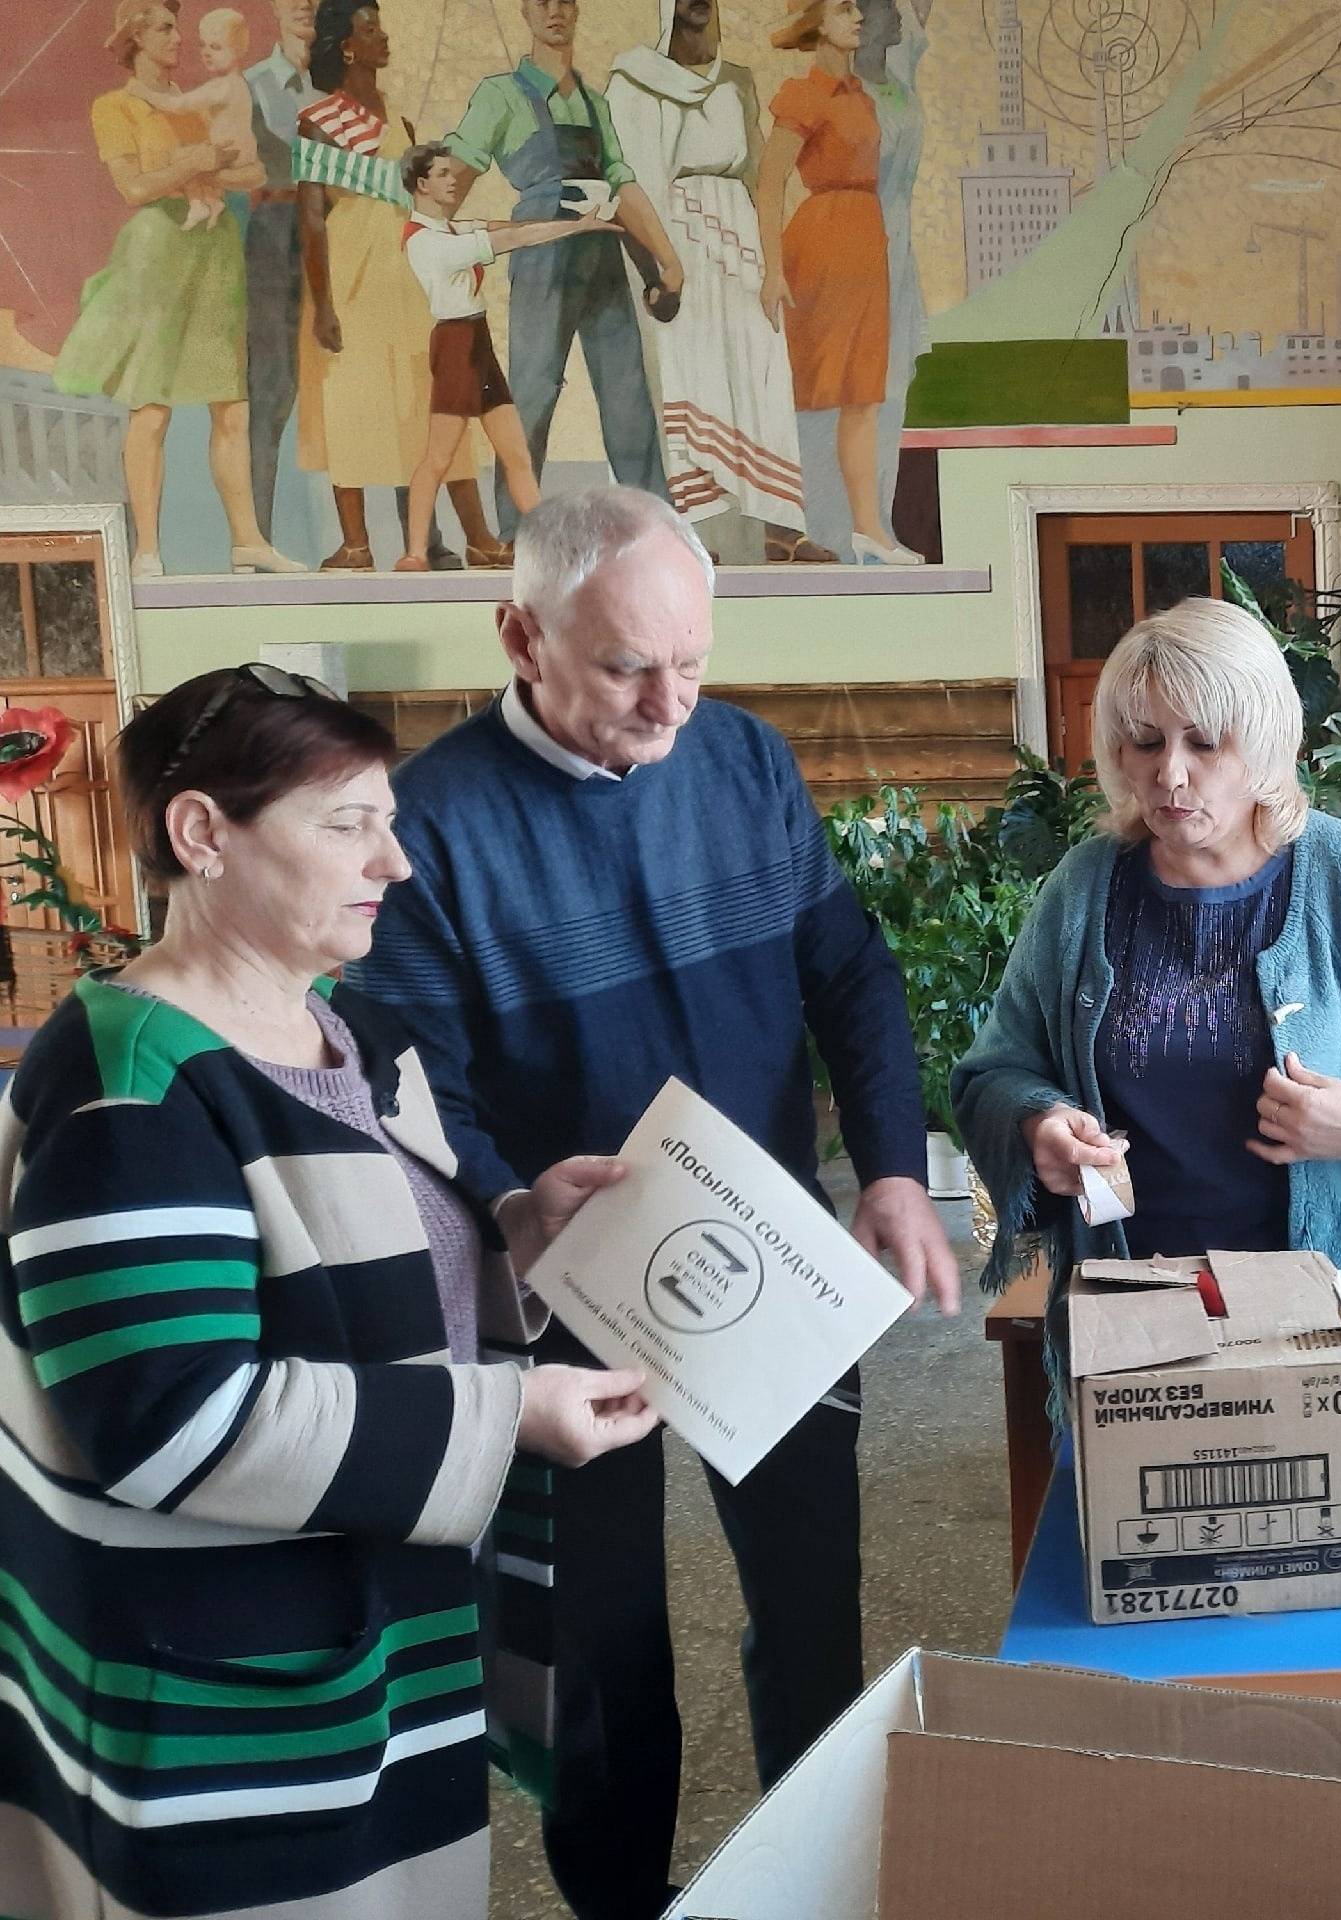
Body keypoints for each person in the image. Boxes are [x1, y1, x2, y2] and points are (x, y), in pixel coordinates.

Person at [352, 485, 958, 1920]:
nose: (670, 702)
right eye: (629, 667)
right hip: (565, 1288)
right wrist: (506, 1198)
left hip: (766, 1258)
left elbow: (849, 973)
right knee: (596, 1638)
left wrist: (890, 1164)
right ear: (520, 637)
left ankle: (819, 1882)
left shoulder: (741, 759)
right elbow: (410, 1079)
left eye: (692, 660)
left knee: (811, 1605)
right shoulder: (429, 825)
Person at [0, 664, 659, 1920]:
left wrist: (521, 1233)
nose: (394, 864)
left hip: (375, 1646)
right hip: (229, 1708)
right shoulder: (132, 1091)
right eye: (349, 824)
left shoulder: (354, 1039)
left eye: (390, 823)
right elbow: (169, 1418)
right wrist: (509, 1416)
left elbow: (373, 1275)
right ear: (203, 833)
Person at [952, 598, 1341, 1410]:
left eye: (1205, 743)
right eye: (1146, 742)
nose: (1170, 774)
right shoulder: (1083, 891)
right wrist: (1038, 1125)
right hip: (1134, 1326)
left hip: (1334, 1328)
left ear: (1266, 746)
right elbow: (995, 1072)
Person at [51, 0, 301, 579]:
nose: (178, 38)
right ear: (136, 36)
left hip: (214, 252)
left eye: (177, 27)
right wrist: (199, 163)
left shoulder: (203, 100)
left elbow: (255, 171)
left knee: (232, 404)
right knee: (152, 407)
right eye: (165, 28)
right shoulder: (114, 106)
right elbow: (134, 188)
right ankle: (147, 550)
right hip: (157, 254)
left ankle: (248, 541)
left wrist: (201, 168)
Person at [444, 0, 686, 533]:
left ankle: (658, 530)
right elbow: (454, 175)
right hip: (543, 250)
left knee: (627, 392)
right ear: (526, 13)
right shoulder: (501, 94)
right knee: (532, 391)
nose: (555, 11)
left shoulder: (596, 103)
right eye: (542, 2)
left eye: (565, 1)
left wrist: (667, 259)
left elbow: (621, 183)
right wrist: (429, 242)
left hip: (602, 250)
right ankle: (515, 532)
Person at [608, 0, 833, 561]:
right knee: (691, 374)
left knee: (762, 370)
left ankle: (781, 530)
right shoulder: (635, 78)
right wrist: (659, 267)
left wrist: (773, 265)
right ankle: (692, 535)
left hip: (741, 236)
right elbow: (633, 181)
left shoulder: (736, 81)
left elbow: (757, 175)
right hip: (677, 238)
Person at [294, 0, 501, 569]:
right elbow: (311, 218)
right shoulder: (318, 121)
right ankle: (356, 545)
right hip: (351, 280)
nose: (383, 37)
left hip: (408, 273)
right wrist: (323, 306)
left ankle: (478, 537)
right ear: (347, 47)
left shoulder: (399, 118)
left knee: (433, 402)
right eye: (370, 29)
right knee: (351, 403)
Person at [396, 142, 615, 571]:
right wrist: (577, 229)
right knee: (437, 457)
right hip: (456, 345)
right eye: (442, 174)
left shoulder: (449, 229)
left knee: (517, 454)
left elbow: (505, 224)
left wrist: (570, 221)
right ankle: (415, 553)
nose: (453, 180)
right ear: (421, 184)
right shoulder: (427, 243)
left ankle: (545, 547)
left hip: (477, 343)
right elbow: (512, 238)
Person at [758, 0, 921, 565]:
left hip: (865, 245)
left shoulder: (862, 97)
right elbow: (770, 183)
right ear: (817, 22)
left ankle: (870, 529)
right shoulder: (804, 94)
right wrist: (772, 269)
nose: (858, 16)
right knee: (812, 391)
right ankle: (786, 525)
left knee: (863, 393)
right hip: (821, 246)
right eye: (844, 7)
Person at [243, 0, 318, 542]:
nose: (304, 5)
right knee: (272, 385)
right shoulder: (248, 86)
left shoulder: (332, 93)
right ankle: (259, 535)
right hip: (272, 233)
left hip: (330, 237)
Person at [855, 0, 928, 544]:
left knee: (894, 387)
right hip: (857, 243)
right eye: (884, 7)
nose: (897, 13)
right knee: (859, 391)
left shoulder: (898, 83)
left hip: (899, 250)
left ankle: (879, 519)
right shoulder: (844, 90)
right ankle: (852, 522)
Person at [136, 6, 256, 231]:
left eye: (216, 47)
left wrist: (146, 94)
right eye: (203, 45)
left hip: (230, 155)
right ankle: (211, 201)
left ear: (238, 50)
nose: (206, 53)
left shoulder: (222, 86)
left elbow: (179, 105)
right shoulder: (240, 84)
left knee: (182, 158)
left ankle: (198, 203)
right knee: (195, 158)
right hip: (240, 153)